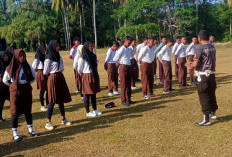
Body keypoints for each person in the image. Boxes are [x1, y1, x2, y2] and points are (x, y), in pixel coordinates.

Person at [3, 49, 38, 142]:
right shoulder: (11, 67)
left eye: (24, 55)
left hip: (26, 89)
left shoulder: (28, 66)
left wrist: (26, 83)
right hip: (15, 91)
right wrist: (13, 85)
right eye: (20, 56)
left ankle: (31, 130)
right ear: (16, 57)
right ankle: (15, 134)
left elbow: (34, 77)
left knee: (27, 110)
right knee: (15, 112)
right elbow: (5, 80)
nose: (22, 57)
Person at [186, 30, 217, 126]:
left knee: (203, 96)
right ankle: (213, 113)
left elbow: (195, 64)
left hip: (203, 75)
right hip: (211, 74)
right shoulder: (213, 47)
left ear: (199, 38)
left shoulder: (200, 48)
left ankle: (206, 119)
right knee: (211, 94)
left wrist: (188, 66)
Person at [43, 40, 72, 130]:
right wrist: (53, 75)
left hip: (60, 77)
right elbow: (45, 71)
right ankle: (48, 122)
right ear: (52, 47)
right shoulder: (48, 58)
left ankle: (63, 119)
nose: (58, 47)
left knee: (61, 99)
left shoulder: (59, 56)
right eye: (56, 46)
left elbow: (62, 67)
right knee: (52, 100)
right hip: (53, 78)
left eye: (59, 45)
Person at [77, 42, 102, 117]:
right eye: (90, 46)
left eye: (93, 46)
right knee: (87, 94)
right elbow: (79, 69)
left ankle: (95, 109)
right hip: (86, 75)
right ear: (86, 47)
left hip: (93, 74)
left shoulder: (93, 56)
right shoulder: (82, 58)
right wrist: (85, 75)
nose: (92, 47)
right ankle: (88, 111)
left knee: (94, 93)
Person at [114, 36, 135, 106]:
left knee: (129, 84)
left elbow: (131, 56)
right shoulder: (121, 49)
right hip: (123, 67)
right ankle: (123, 100)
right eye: (128, 43)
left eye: (130, 43)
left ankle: (128, 99)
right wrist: (119, 63)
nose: (129, 44)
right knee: (123, 85)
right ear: (125, 41)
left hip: (128, 66)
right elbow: (115, 58)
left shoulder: (129, 49)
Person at [32, 45, 48, 111]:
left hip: (46, 74)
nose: (44, 50)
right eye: (43, 49)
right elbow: (33, 67)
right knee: (42, 90)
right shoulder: (37, 58)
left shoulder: (45, 56)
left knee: (48, 90)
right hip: (41, 73)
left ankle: (48, 104)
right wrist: (37, 70)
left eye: (44, 49)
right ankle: (42, 105)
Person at [0, 51, 10, 122]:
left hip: (9, 85)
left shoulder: (9, 63)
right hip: (2, 87)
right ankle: (0, 117)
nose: (6, 57)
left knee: (13, 99)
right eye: (4, 56)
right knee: (1, 102)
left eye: (6, 56)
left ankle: (16, 113)